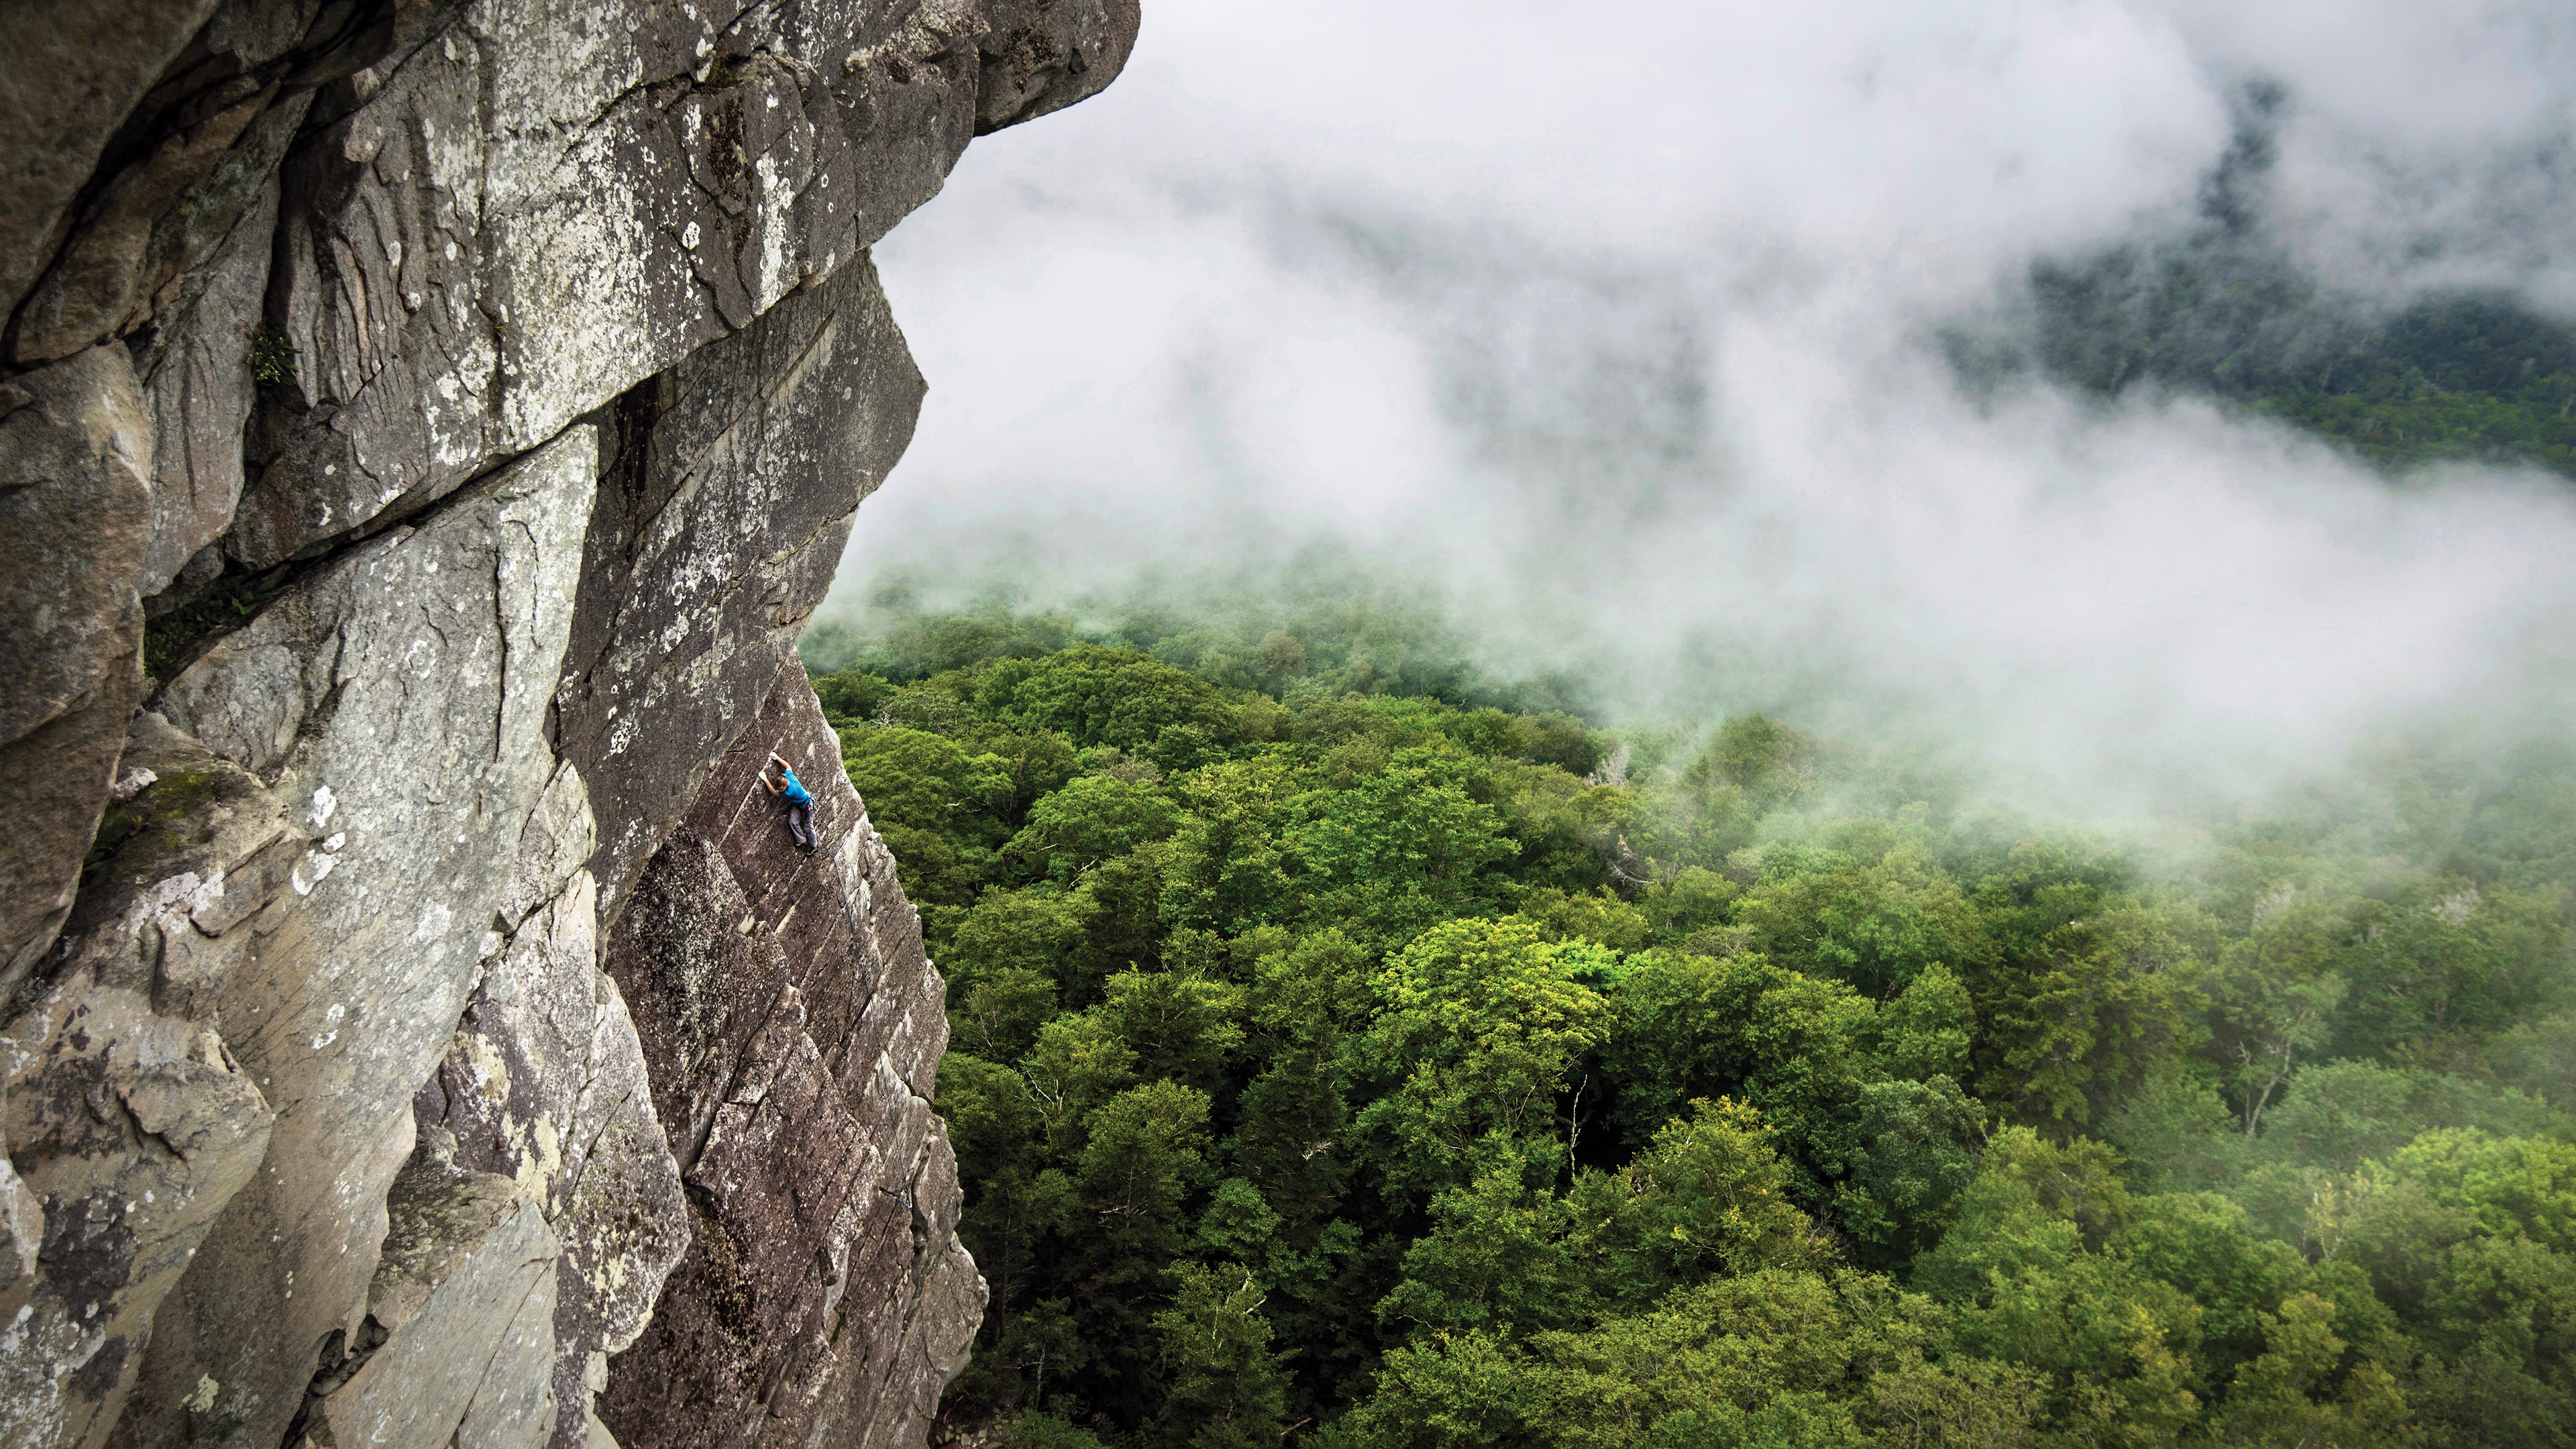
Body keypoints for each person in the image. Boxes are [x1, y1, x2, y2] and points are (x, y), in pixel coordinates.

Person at [760, 751, 817, 852]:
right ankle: (802, 840)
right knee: (792, 821)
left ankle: (813, 846)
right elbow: (788, 767)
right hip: (799, 804)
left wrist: (765, 780)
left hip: (808, 805)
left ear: (785, 786)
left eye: (781, 789)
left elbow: (774, 792)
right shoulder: (789, 777)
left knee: (808, 826)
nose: (780, 790)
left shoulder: (790, 792)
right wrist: (777, 758)